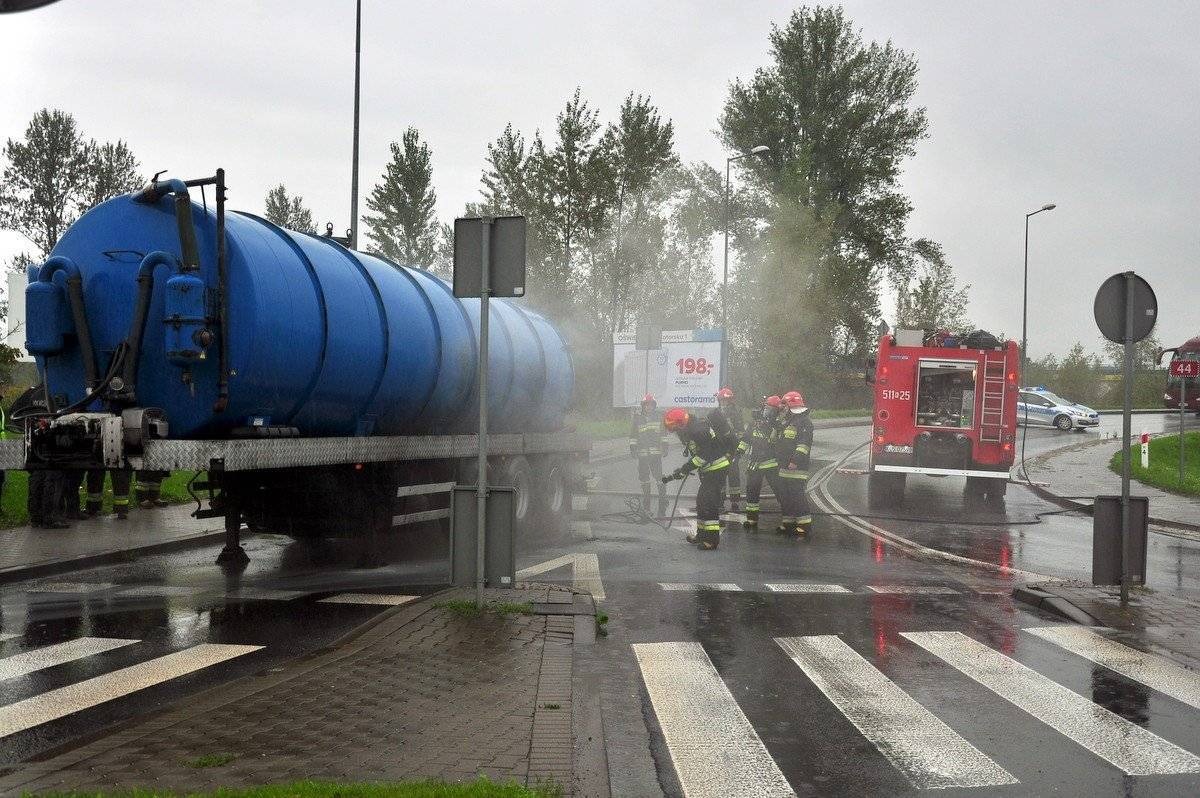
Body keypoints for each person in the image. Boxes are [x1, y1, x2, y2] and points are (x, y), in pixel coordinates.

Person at [661, 406, 732, 550]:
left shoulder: (698, 431)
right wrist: (682, 470)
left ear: (681, 424)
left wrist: (685, 469)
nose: (675, 433)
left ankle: (712, 540)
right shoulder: (691, 429)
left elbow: (704, 456)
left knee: (709, 503)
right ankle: (701, 535)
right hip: (709, 470)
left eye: (675, 429)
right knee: (701, 501)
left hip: (716, 469)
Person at [774, 390, 814, 536]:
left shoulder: (804, 422)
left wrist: (795, 461)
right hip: (784, 466)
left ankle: (804, 525)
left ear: (790, 405)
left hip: (796, 467)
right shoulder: (788, 421)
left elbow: (803, 444)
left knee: (797, 495)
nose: (782, 408)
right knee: (786, 495)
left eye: (784, 405)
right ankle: (788, 523)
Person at [741, 395, 782, 530]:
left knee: (780, 491)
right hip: (755, 463)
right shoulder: (755, 422)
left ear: (777, 411)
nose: (767, 411)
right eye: (766, 408)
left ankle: (788, 519)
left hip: (771, 464)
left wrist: (772, 426)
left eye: (771, 409)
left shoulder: (779, 425)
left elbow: (779, 443)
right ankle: (752, 519)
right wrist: (739, 452)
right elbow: (746, 439)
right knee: (752, 490)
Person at [629, 394, 668, 515]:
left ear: (654, 406)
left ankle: (663, 501)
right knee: (644, 479)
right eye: (646, 405)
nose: (649, 407)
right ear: (643, 406)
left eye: (651, 405)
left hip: (655, 455)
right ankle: (647, 507)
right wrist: (633, 449)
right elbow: (633, 436)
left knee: (659, 478)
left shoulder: (659, 418)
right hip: (642, 455)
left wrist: (665, 448)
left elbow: (664, 434)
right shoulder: (637, 419)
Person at [714, 387, 746, 512]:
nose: (724, 403)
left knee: (733, 475)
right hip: (719, 449)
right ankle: (720, 501)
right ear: (719, 400)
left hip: (732, 448)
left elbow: (741, 432)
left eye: (727, 400)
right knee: (720, 475)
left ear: (730, 401)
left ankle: (735, 502)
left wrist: (737, 446)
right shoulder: (715, 413)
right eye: (722, 400)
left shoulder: (736, 412)